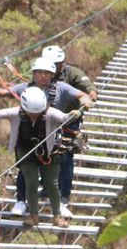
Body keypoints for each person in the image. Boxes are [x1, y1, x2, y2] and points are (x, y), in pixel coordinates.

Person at [0, 57, 92, 218]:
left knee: (60, 168)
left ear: (52, 74)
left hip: (52, 131)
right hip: (29, 133)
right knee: (26, 170)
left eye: (47, 73)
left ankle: (60, 204)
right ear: (34, 74)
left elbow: (80, 95)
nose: (43, 76)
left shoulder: (61, 88)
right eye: (39, 72)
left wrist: (85, 101)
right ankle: (21, 201)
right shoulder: (26, 87)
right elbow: (6, 92)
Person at [0, 87, 79, 228]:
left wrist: (73, 114)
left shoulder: (51, 113)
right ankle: (34, 215)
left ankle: (57, 216)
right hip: (25, 151)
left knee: (52, 184)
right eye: (31, 113)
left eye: (37, 113)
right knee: (32, 182)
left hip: (49, 152)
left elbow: (64, 118)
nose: (34, 115)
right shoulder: (17, 113)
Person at [41, 45, 98, 218]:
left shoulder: (71, 73)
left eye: (58, 63)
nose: (56, 67)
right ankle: (46, 188)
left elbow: (88, 86)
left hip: (69, 122)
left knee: (65, 158)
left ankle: (64, 195)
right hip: (48, 122)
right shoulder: (42, 73)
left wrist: (91, 96)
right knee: (46, 154)